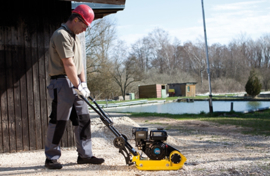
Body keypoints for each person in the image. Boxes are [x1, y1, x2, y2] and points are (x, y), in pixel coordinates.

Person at [45, 4, 104, 169]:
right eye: (84, 26)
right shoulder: (61, 35)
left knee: (83, 119)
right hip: (62, 82)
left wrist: (83, 83)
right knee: (59, 121)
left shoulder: (75, 37)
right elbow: (68, 64)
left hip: (76, 82)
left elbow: (79, 65)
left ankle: (85, 155)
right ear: (76, 19)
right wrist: (78, 85)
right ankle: (51, 157)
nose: (85, 30)